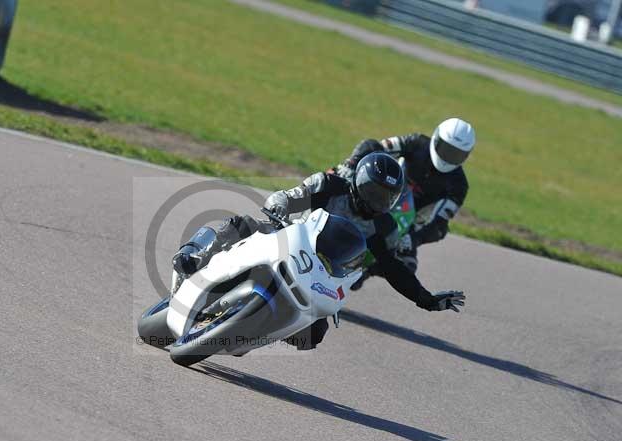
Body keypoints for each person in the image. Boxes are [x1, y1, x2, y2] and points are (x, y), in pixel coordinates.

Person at [172, 152, 465, 349]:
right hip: (286, 239)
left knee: (313, 335)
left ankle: (253, 330)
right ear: (359, 182)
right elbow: (291, 197)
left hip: (320, 274)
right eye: (374, 192)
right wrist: (279, 206)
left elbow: (393, 268)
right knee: (243, 224)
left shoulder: (384, 227)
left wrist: (425, 299)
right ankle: (193, 256)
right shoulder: (329, 185)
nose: (378, 201)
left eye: (386, 197)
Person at [350, 118, 475, 274]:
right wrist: (351, 165)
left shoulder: (459, 185)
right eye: (446, 149)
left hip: (411, 224)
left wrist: (415, 238)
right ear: (436, 139)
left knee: (407, 269)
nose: (448, 157)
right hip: (382, 197)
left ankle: (368, 271)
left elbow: (440, 225)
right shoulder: (416, 142)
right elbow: (375, 147)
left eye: (455, 154)